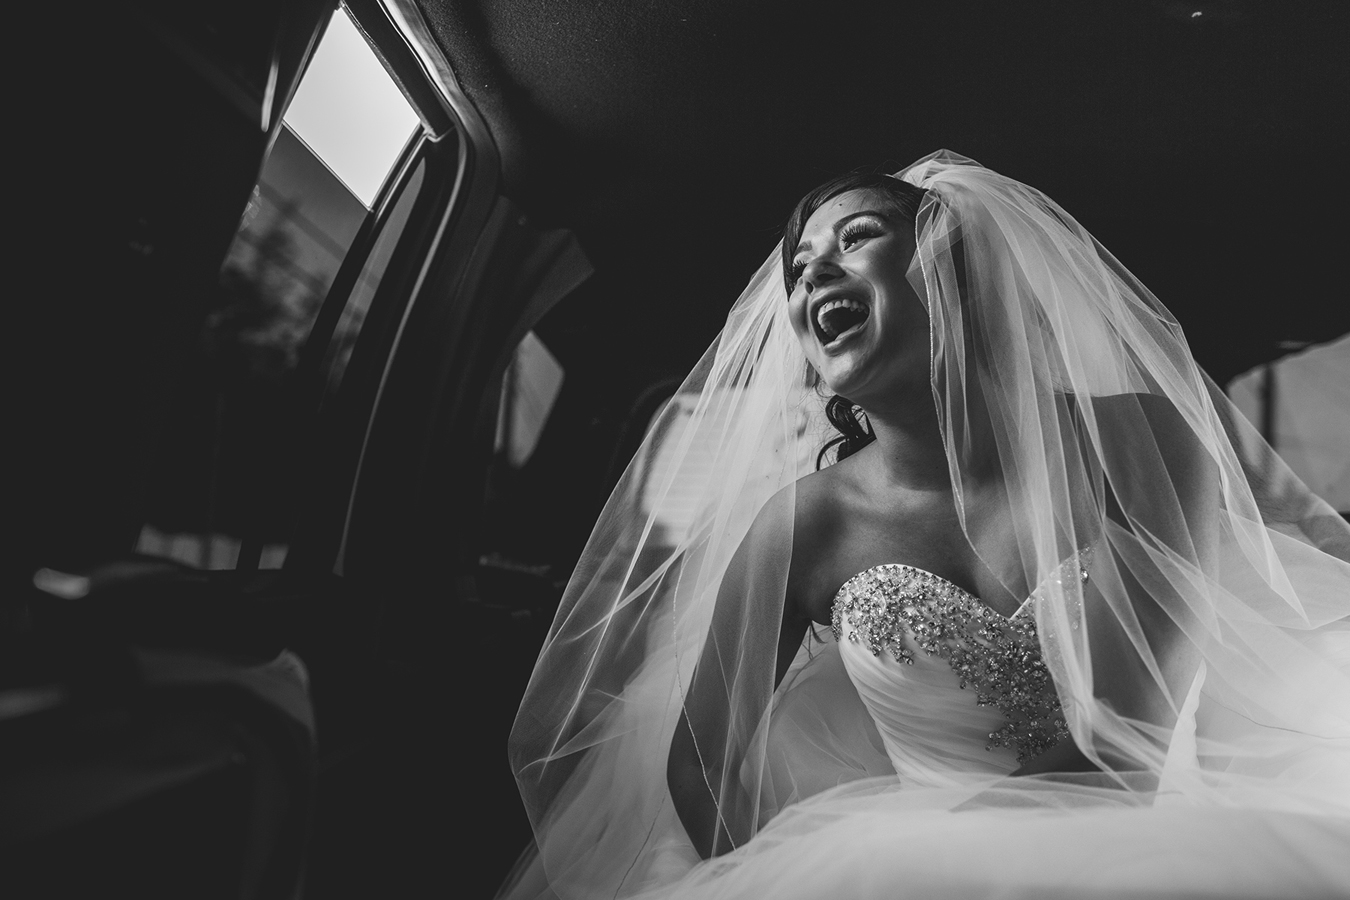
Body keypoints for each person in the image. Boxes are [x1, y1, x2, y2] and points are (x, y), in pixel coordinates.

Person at [502, 152, 1350, 899]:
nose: (811, 281)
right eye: (798, 270)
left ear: (952, 265)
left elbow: (1123, 754)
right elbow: (699, 761)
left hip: (1138, 849)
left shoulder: (1142, 440)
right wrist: (775, 875)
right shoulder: (803, 524)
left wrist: (894, 869)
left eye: (854, 238)